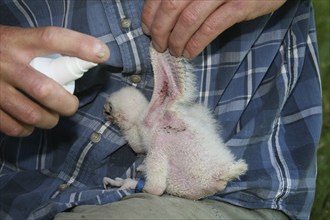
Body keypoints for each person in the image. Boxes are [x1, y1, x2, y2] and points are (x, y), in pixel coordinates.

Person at [0, 0, 322, 219]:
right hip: (22, 185)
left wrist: (137, 184)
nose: (112, 118)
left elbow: (155, 184)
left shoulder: (158, 132)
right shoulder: (161, 119)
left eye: (113, 114)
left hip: (236, 189)